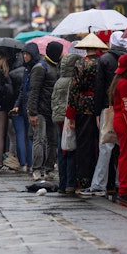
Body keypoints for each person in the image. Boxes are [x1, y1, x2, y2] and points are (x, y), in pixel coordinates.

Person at [80, 31, 127, 197]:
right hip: (125, 108)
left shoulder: (105, 60)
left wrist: (96, 111)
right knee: (123, 148)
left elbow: (99, 88)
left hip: (107, 108)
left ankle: (98, 184)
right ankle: (119, 182)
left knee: (105, 146)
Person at [65, 33, 108, 190]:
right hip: (100, 105)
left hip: (83, 106)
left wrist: (70, 114)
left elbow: (74, 89)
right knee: (101, 144)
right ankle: (103, 179)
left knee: (84, 145)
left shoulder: (80, 64)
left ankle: (84, 179)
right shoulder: (103, 62)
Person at [28, 41, 63, 181]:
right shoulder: (40, 68)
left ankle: (48, 169)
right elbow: (34, 91)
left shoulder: (56, 67)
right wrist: (33, 113)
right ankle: (37, 169)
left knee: (53, 141)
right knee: (40, 140)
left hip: (52, 111)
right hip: (41, 111)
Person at [51, 53, 82, 194]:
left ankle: (62, 183)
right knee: (70, 149)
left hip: (58, 118)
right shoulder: (73, 81)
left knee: (61, 149)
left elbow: (54, 100)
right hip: (68, 118)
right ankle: (70, 183)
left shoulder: (59, 81)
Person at [108, 54, 127, 199]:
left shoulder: (120, 82)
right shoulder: (124, 84)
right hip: (125, 123)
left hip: (120, 121)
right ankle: (125, 188)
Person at [10, 42, 40, 173]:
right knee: (26, 136)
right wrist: (17, 105)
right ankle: (25, 163)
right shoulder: (27, 69)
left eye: (27, 54)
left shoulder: (35, 69)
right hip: (24, 106)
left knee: (29, 136)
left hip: (31, 107)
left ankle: (31, 163)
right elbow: (23, 90)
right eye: (24, 54)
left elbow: (34, 90)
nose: (25, 56)